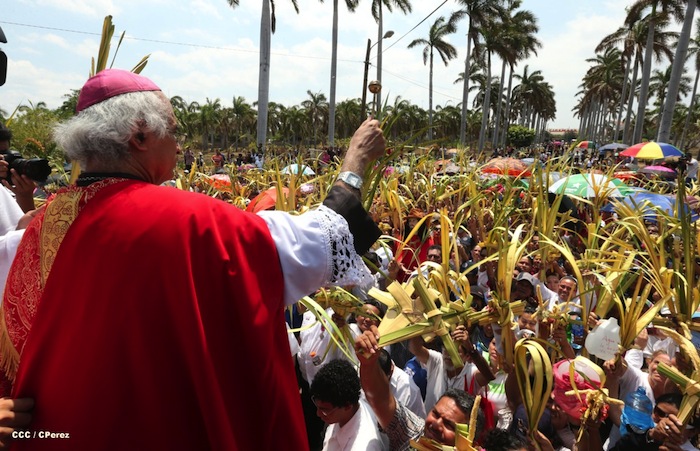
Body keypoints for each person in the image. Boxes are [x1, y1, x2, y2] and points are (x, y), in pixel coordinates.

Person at [0, 69, 385, 450]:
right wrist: (355, 163)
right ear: (139, 134)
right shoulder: (191, 223)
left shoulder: (38, 229)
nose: (180, 145)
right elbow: (319, 240)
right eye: (173, 129)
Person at [355, 325, 484, 450]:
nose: (436, 424)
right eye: (435, 414)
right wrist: (369, 362)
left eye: (449, 424)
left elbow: (488, 375)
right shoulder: (414, 434)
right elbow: (381, 399)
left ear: (469, 439)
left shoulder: (471, 372)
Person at [309, 359, 386, 451]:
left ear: (347, 406)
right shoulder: (347, 406)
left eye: (325, 409)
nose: (318, 413)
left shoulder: (362, 446)